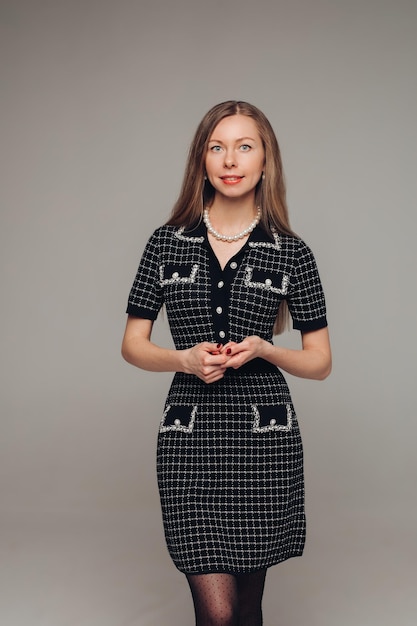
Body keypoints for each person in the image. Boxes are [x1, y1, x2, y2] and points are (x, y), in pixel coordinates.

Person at [122, 100, 331, 626]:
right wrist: (183, 359)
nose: (230, 160)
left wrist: (263, 348)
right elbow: (132, 344)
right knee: (215, 616)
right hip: (189, 438)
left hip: (263, 446)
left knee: (245, 612)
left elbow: (320, 362)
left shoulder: (291, 252)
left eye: (244, 146)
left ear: (266, 161)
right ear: (202, 159)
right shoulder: (165, 244)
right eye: (217, 147)